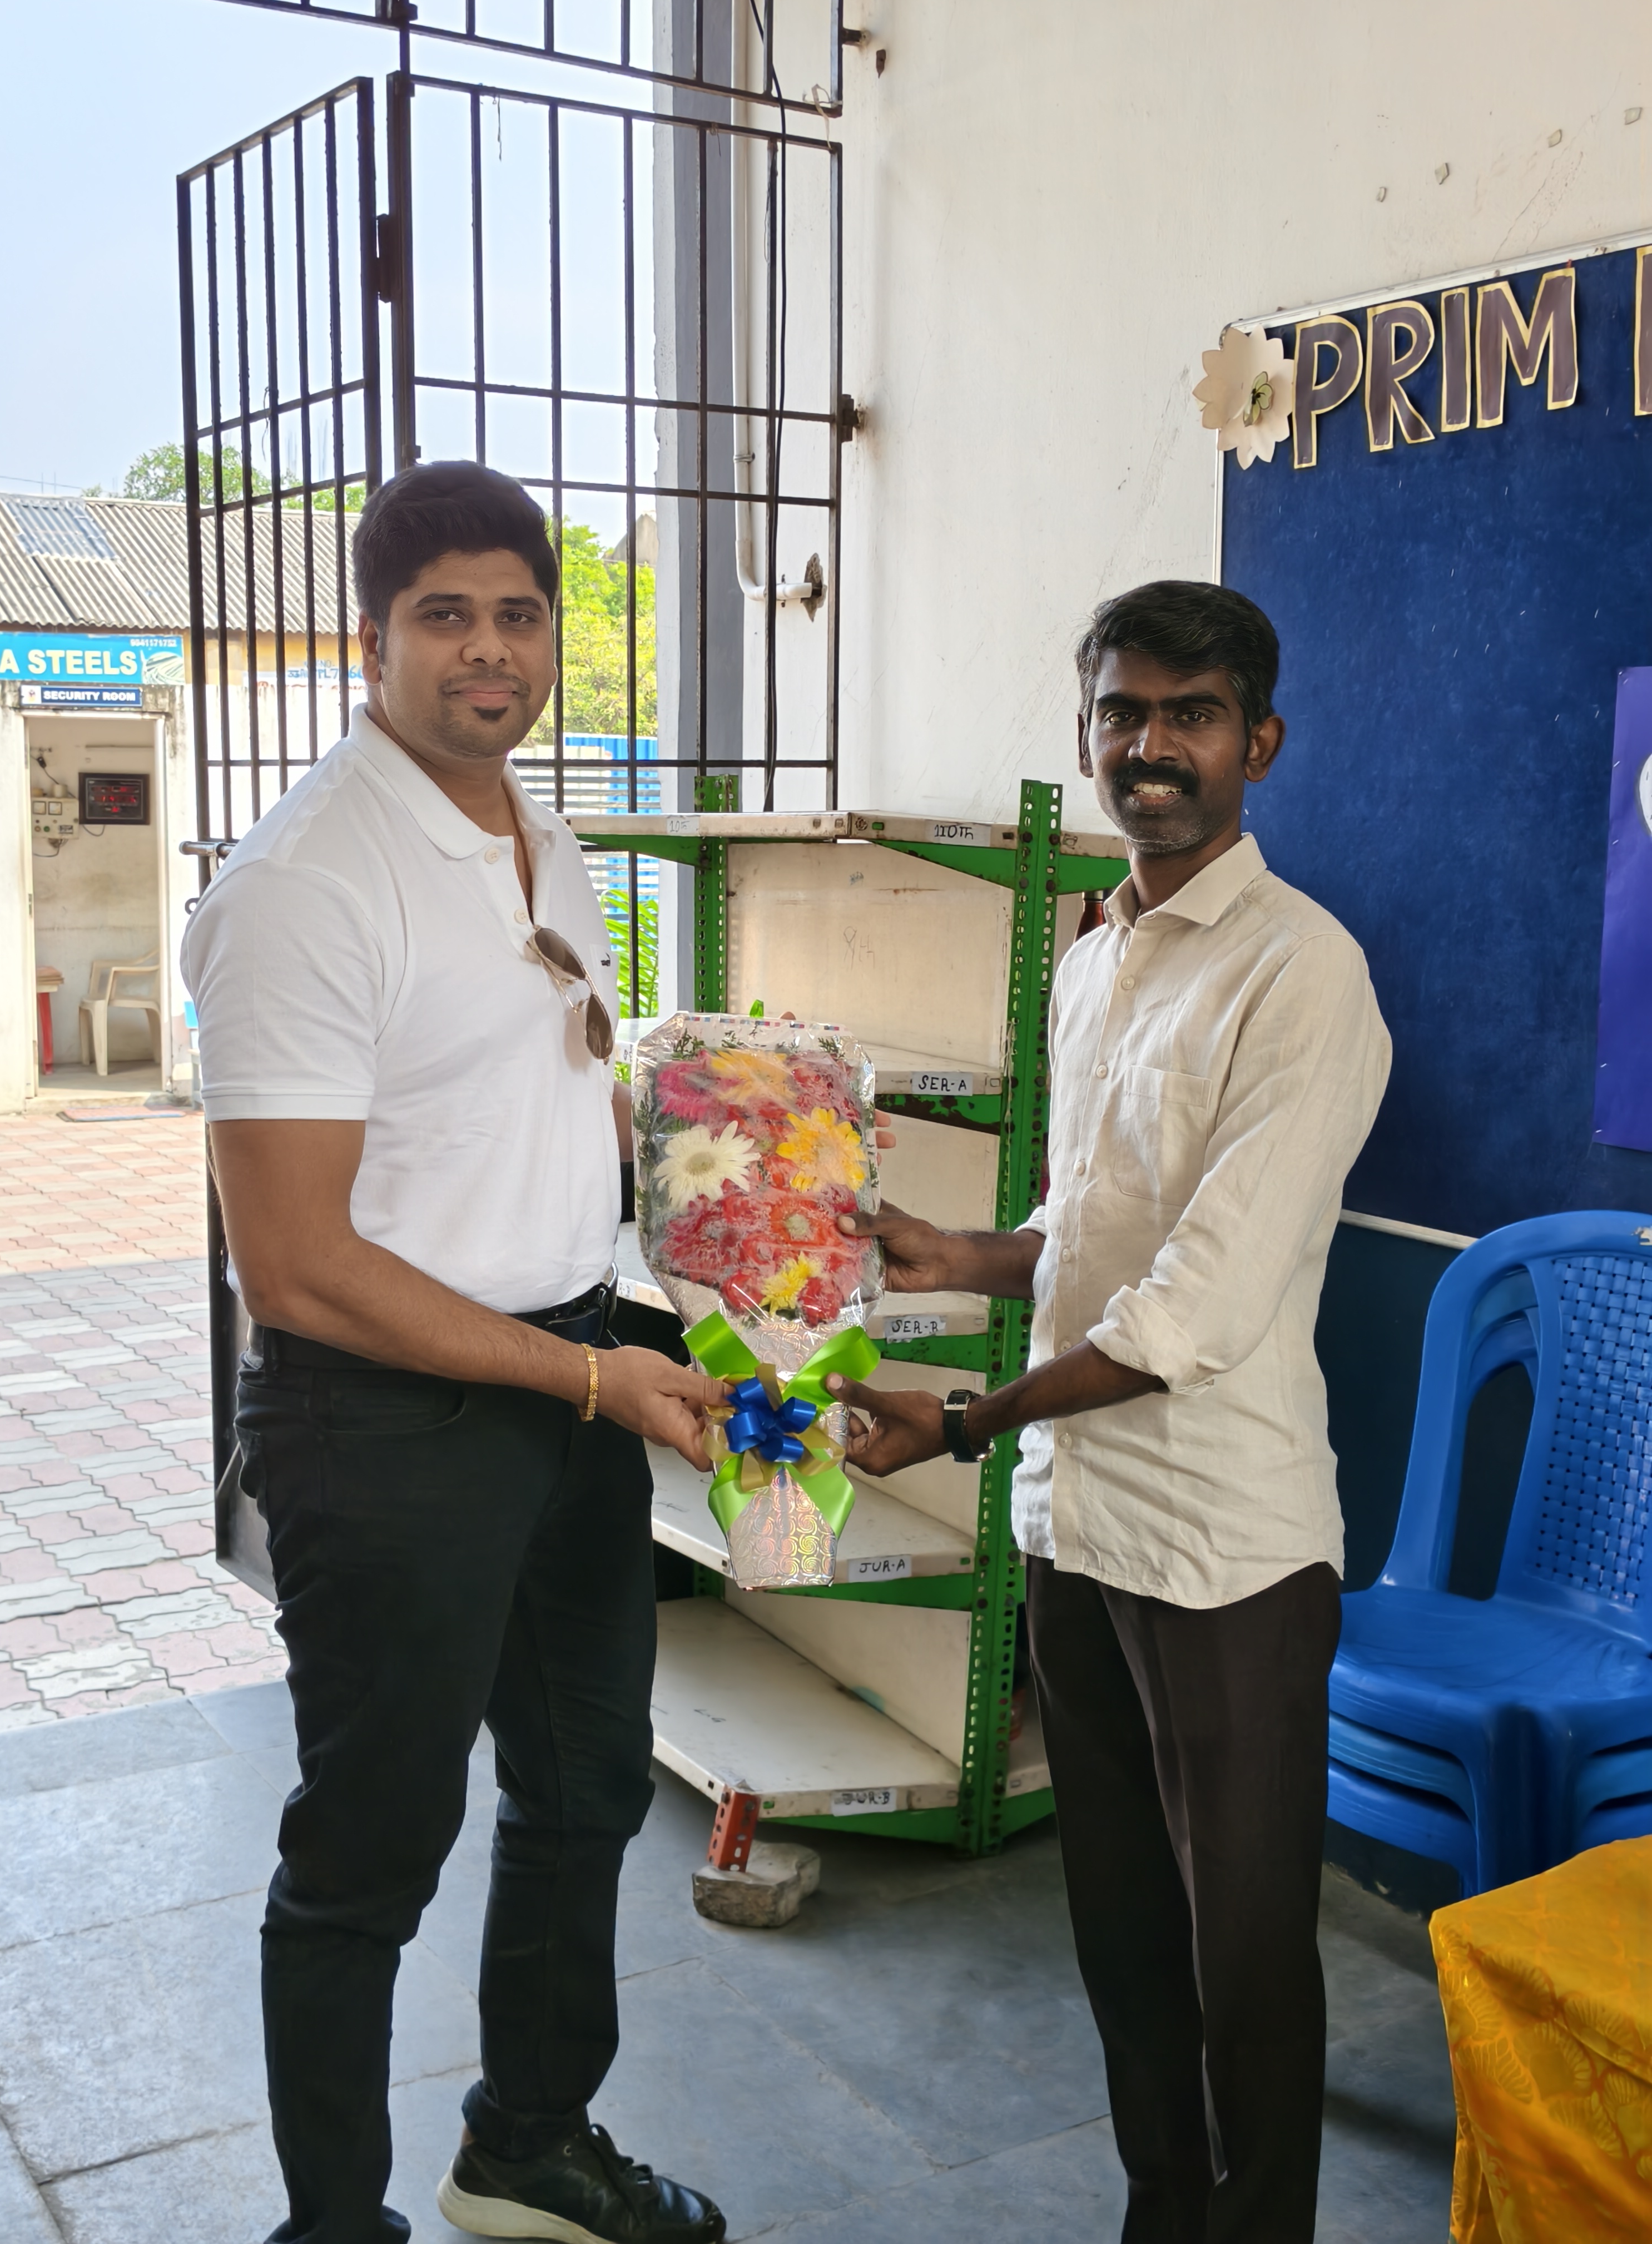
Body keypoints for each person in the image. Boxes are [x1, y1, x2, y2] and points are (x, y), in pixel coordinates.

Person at [182, 462, 731, 2244]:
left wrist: (747, 1187)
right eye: (445, 616)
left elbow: (548, 1095)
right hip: (387, 1421)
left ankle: (528, 2143)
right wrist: (582, 1379)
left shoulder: (536, 834)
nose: (488, 650)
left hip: (570, 1376)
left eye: (517, 614)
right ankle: (333, 2224)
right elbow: (295, 1264)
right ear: (373, 637)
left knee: (586, 1790)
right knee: (371, 1849)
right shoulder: (306, 883)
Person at [830, 581, 1391, 2244]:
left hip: (1224, 1549)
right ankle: (1164, 2213)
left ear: (1258, 744)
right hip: (1074, 1523)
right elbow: (1092, 1224)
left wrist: (965, 1419)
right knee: (1125, 1933)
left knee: (1244, 1960)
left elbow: (1193, 1307)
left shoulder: (1306, 977)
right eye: (1122, 713)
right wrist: (967, 1255)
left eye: (1191, 716)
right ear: (1088, 736)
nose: (1152, 746)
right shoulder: (1094, 959)